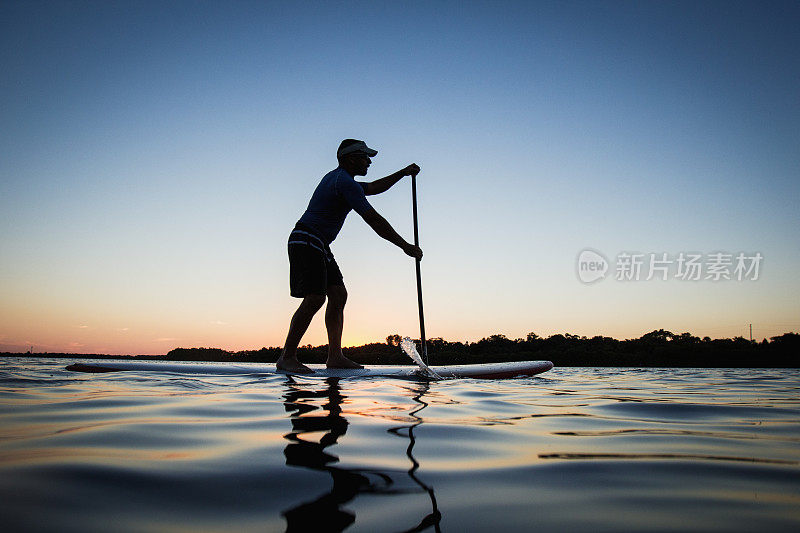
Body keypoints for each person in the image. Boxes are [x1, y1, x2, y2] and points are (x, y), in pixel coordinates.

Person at [276, 139, 423, 373]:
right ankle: (287, 357)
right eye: (365, 157)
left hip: (318, 243)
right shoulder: (343, 182)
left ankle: (335, 356)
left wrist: (403, 174)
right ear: (351, 158)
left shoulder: (342, 180)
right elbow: (374, 220)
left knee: (338, 294)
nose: (370, 161)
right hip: (306, 240)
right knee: (315, 297)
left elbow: (374, 187)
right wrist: (406, 246)